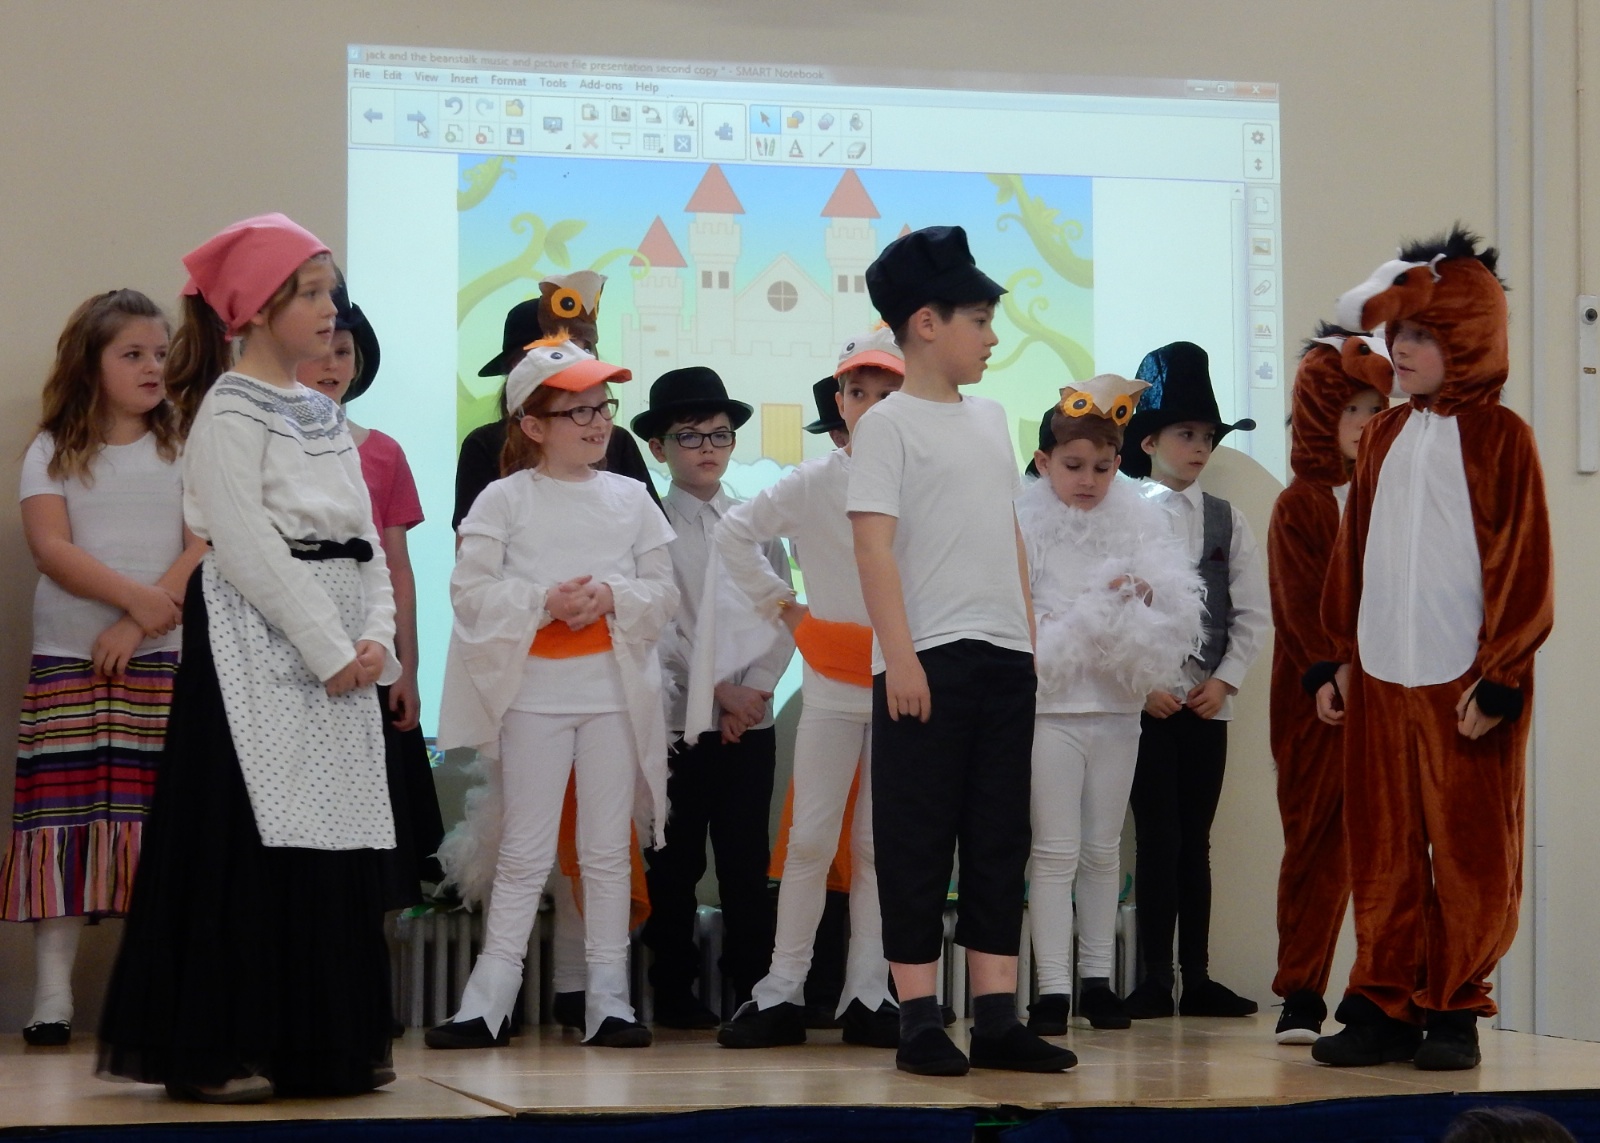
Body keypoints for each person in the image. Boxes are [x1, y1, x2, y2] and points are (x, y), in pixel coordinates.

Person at [97, 213, 402, 1102]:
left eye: (329, 291)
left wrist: (376, 637)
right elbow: (243, 540)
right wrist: (326, 645)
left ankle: (317, 1043)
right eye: (308, 293)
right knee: (250, 836)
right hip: (259, 645)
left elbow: (366, 539)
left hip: (337, 643)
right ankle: (226, 1040)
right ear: (259, 310)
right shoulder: (229, 410)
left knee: (328, 839)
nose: (329, 308)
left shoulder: (325, 413)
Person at [1311, 228, 1554, 1072]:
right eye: (1398, 334)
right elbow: (1353, 553)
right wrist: (1337, 657)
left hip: (1463, 684)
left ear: (1469, 337)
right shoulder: (1382, 436)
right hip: (1381, 675)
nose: (1402, 350)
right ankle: (1384, 1001)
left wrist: (1502, 675)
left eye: (1422, 335)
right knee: (1382, 847)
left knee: (1469, 849)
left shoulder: (1502, 438)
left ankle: (1454, 1004)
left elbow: (1524, 563)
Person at [847, 224, 1075, 1076]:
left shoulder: (991, 418)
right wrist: (899, 656)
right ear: (926, 323)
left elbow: (1006, 531)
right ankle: (918, 1016)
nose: (991, 337)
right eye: (978, 320)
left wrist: (1027, 636)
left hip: (1004, 656)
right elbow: (873, 547)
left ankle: (997, 1016)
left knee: (998, 834)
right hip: (928, 657)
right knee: (916, 836)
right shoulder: (886, 425)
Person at [428, 338, 677, 1050]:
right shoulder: (503, 499)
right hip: (533, 696)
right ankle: (487, 1003)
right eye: (578, 412)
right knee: (524, 851)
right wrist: (544, 600)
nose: (598, 423)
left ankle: (609, 1000)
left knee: (605, 851)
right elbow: (470, 593)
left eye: (603, 407)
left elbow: (663, 593)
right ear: (533, 425)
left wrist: (611, 594)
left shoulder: (631, 498)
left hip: (612, 695)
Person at [2, 290, 207, 1047]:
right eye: (132, 354)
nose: (153, 366)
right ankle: (52, 995)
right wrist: (133, 599)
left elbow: (204, 541)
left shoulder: (184, 444)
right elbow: (51, 547)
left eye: (160, 353)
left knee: (156, 825)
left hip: (162, 663)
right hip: (69, 659)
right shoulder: (53, 446)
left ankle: (151, 995)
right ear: (91, 365)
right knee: (62, 820)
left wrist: (140, 618)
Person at [713, 328, 905, 1051]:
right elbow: (735, 534)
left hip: (902, 679)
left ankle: (868, 991)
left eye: (885, 392)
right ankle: (782, 990)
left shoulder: (927, 481)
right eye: (857, 391)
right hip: (831, 681)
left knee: (880, 845)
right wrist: (788, 610)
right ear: (840, 402)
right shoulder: (814, 480)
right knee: (810, 839)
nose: (870, 405)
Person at [1018, 376, 1205, 1037]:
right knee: (1054, 851)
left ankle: (1096, 982)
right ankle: (1051, 988)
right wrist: (1095, 608)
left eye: (1102, 467)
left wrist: (1143, 597)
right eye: (1073, 466)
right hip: (1052, 712)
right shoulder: (1024, 527)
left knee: (1102, 850)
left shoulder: (1139, 522)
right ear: (1044, 462)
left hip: (1118, 710)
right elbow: (1025, 621)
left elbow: (1174, 606)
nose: (1088, 480)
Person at [634, 366, 795, 1028]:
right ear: (658, 447)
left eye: (720, 434)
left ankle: (752, 987)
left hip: (747, 725)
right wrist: (716, 692)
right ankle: (673, 991)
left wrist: (751, 693)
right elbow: (659, 626)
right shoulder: (648, 528)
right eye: (689, 435)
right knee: (672, 862)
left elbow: (782, 613)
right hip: (676, 722)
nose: (707, 447)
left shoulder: (756, 525)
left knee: (745, 860)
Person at [1116, 340, 1267, 1020]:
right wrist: (1138, 684)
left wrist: (1225, 681)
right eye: (1186, 434)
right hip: (1145, 704)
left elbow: (1253, 610)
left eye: (1207, 436)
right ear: (1149, 441)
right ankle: (1154, 976)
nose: (1199, 446)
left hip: (1207, 705)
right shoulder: (1120, 513)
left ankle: (1197, 976)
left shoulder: (1228, 518)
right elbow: (1105, 608)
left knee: (1196, 841)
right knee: (1157, 837)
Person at [298, 277, 444, 912]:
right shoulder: (263, 443)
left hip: (370, 654)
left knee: (377, 850)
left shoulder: (384, 453)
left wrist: (407, 667)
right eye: (321, 350)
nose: (332, 365)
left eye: (344, 352)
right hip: (295, 658)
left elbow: (398, 567)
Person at [1266, 328, 1391, 1043]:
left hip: (1387, 690)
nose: (1365, 424)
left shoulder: (1391, 497)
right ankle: (1302, 991)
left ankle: (1377, 991)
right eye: (1351, 409)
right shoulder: (1303, 502)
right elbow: (1297, 598)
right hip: (1316, 700)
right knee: (1314, 842)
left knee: (1385, 845)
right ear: (1320, 413)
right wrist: (1328, 668)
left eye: (1376, 409)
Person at [454, 272, 658, 527]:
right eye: (560, 351)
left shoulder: (617, 442)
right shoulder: (485, 445)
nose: (578, 359)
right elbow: (471, 545)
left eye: (586, 349)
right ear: (519, 366)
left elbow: (654, 539)